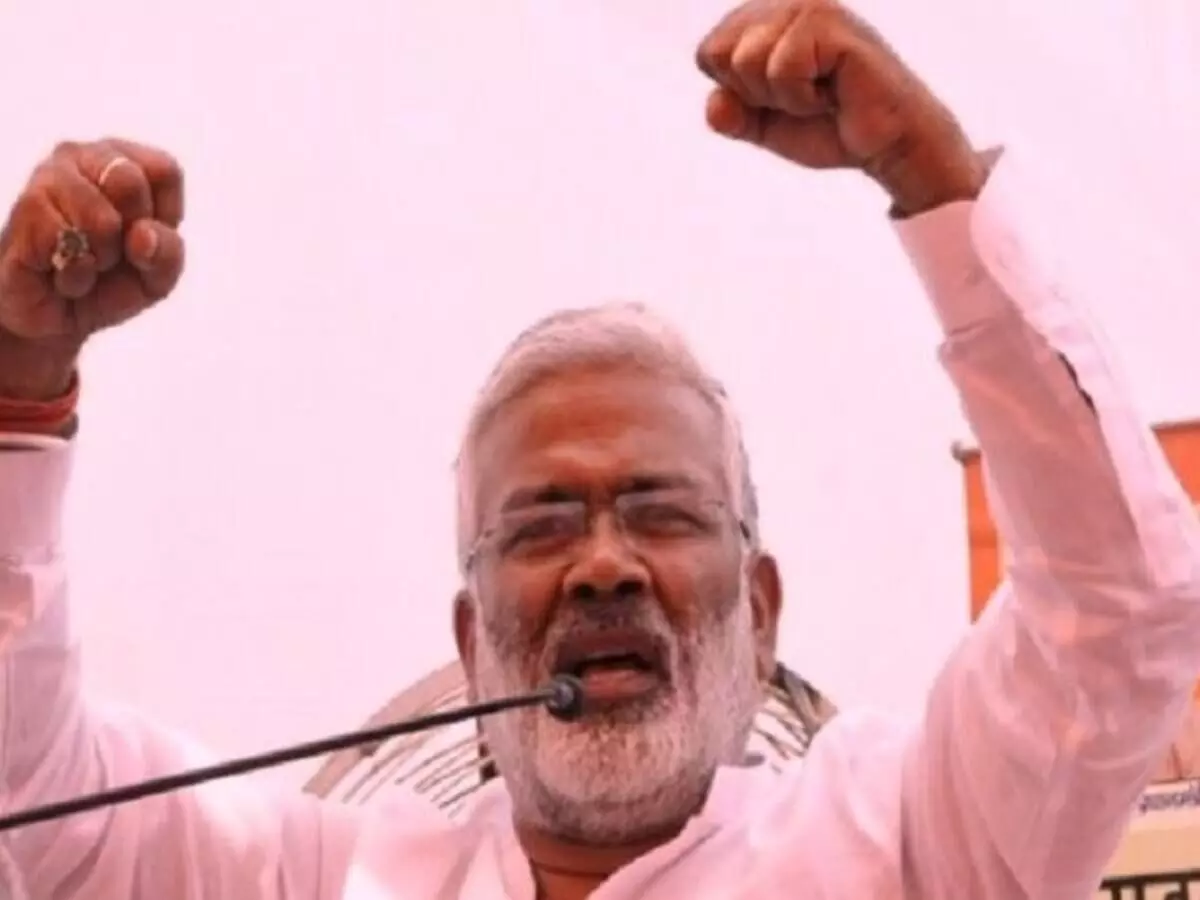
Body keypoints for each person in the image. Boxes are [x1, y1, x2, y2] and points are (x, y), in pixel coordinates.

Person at [0, 0, 1198, 897]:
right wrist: (20, 390)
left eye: (663, 511)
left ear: (761, 614)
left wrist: (934, 184)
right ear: (472, 642)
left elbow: (1122, 611)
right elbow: (35, 807)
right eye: (541, 526)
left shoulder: (912, 842)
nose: (605, 564)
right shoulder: (325, 878)